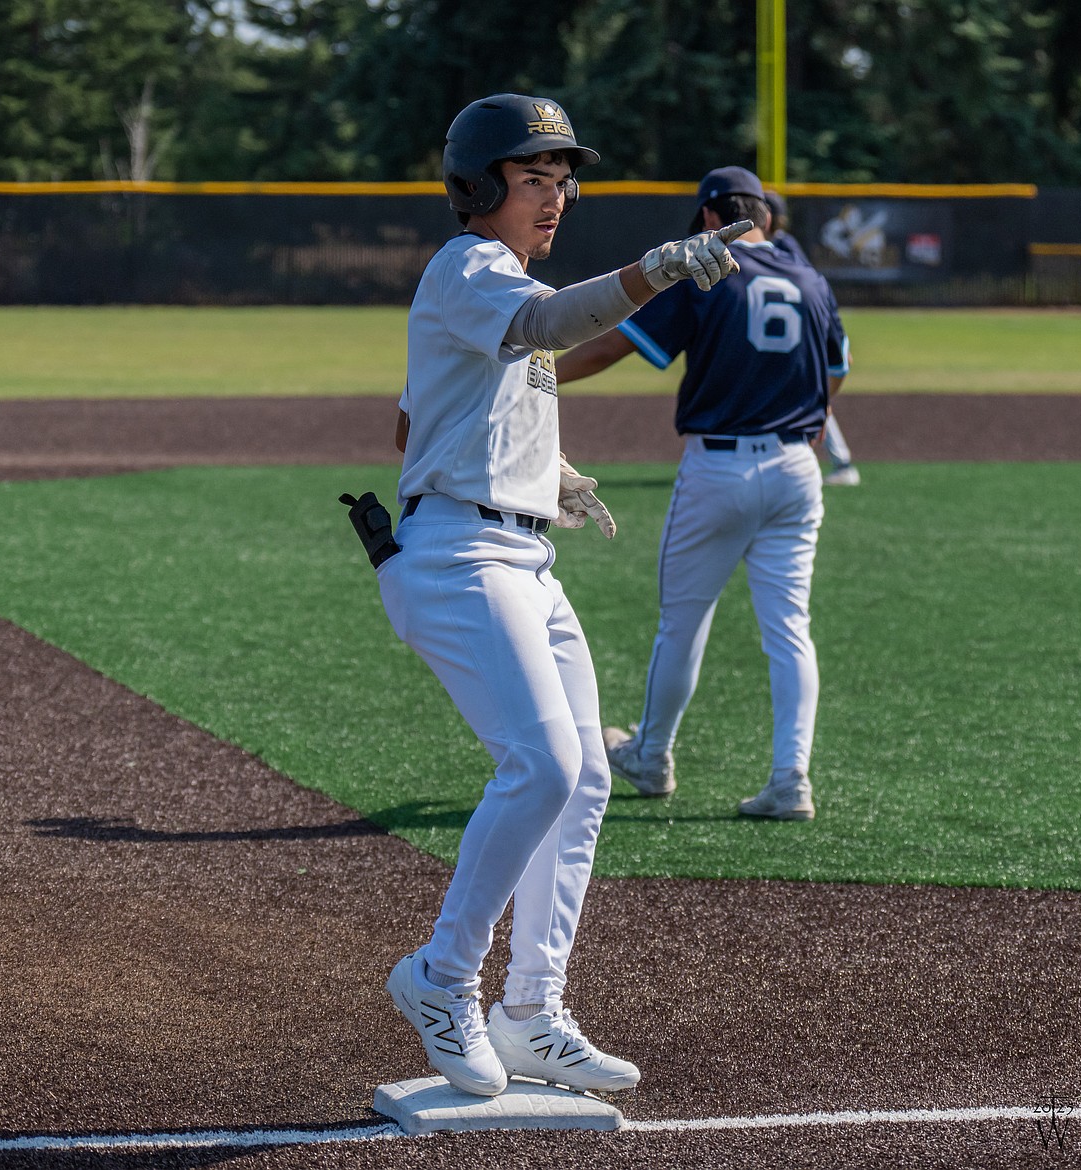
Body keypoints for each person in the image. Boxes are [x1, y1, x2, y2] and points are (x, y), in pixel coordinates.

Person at [377, 94, 750, 1096]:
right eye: (531, 178)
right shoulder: (470, 268)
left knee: (585, 779)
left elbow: (417, 423)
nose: (553, 198)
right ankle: (441, 978)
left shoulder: (494, 289)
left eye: (560, 181)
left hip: (520, 557)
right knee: (541, 768)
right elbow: (543, 325)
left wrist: (549, 471)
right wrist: (660, 270)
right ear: (478, 185)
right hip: (461, 560)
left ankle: (532, 1010)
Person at [554, 166, 849, 820]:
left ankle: (653, 755)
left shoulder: (708, 269)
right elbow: (836, 373)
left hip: (720, 470)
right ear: (766, 215)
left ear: (713, 218)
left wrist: (538, 373)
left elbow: (612, 347)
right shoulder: (811, 279)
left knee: (683, 624)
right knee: (790, 631)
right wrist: (811, 426)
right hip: (798, 469)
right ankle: (791, 779)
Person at [765, 189, 860, 487]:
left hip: (800, 332)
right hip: (793, 331)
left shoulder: (782, 247)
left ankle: (842, 461)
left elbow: (809, 291)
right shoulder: (776, 244)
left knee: (809, 394)